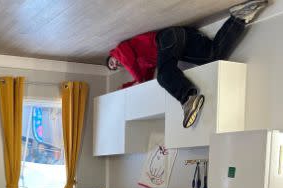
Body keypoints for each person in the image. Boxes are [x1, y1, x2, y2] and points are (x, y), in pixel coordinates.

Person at [107, 0, 267, 128]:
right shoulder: (142, 63)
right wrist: (126, 88)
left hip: (167, 38)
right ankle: (238, 18)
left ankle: (187, 98)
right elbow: (144, 80)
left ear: (112, 55)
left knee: (163, 76)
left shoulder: (121, 49)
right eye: (114, 67)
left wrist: (134, 77)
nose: (115, 65)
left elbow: (129, 63)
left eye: (112, 62)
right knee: (213, 56)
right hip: (182, 41)